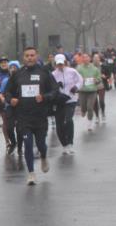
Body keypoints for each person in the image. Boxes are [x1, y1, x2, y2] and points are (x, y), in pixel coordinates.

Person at [6, 47, 57, 184]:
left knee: (41, 145)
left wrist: (44, 97)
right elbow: (7, 92)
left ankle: (44, 156)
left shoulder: (44, 72)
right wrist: (11, 100)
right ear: (23, 57)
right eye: (27, 55)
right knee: (27, 144)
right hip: (23, 117)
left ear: (37, 56)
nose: (30, 58)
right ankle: (31, 173)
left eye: (32, 55)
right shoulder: (17, 74)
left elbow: (54, 91)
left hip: (40, 116)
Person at [51, 54, 82, 154]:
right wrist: (56, 86)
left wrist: (76, 87)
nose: (60, 65)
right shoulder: (53, 74)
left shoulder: (72, 71)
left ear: (65, 62)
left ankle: (70, 143)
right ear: (55, 64)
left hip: (71, 99)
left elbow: (80, 80)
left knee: (68, 120)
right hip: (59, 101)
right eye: (58, 64)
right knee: (59, 124)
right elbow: (49, 87)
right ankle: (64, 145)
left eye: (62, 63)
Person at [77, 55, 102, 132]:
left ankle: (89, 123)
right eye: (84, 58)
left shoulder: (95, 69)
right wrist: (81, 80)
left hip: (92, 91)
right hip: (82, 91)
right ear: (82, 59)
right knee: (83, 107)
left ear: (90, 59)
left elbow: (99, 78)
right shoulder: (79, 68)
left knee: (90, 107)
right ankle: (83, 110)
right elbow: (75, 78)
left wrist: (96, 80)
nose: (85, 59)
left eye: (87, 58)